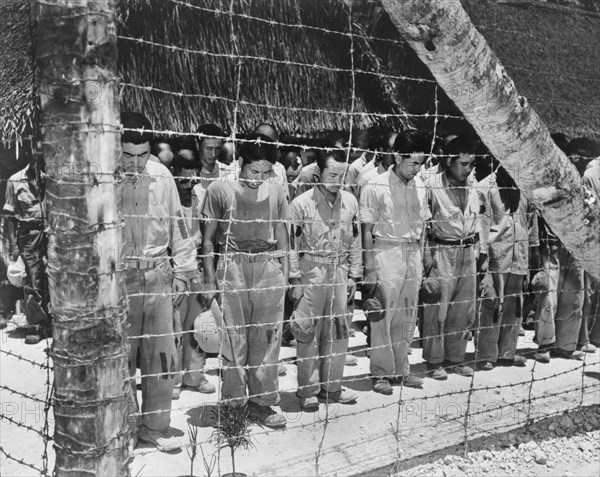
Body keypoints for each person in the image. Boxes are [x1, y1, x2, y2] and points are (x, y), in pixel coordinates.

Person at [120, 112, 197, 452]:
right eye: (128, 155)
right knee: (120, 357)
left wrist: (183, 271)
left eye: (142, 154)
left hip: (158, 275)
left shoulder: (163, 175)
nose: (136, 163)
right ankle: (121, 428)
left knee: (160, 357)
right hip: (119, 278)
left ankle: (155, 426)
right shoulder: (104, 178)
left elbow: (179, 227)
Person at [201, 133, 290, 429]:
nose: (259, 178)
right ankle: (233, 405)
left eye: (266, 173)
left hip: (267, 269)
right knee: (233, 338)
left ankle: (262, 404)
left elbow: (281, 232)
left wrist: (285, 273)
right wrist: (210, 279)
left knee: (266, 339)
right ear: (241, 163)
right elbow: (208, 239)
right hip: (232, 268)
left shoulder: (276, 191)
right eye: (254, 171)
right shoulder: (219, 189)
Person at [289, 148, 362, 409]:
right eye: (332, 173)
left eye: (341, 175)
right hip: (312, 271)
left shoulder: (351, 202)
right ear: (319, 172)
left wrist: (355, 274)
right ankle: (307, 390)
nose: (337, 180)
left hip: (340, 272)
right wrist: (295, 279)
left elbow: (355, 239)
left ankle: (331, 386)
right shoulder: (301, 204)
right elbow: (292, 245)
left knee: (339, 330)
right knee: (308, 331)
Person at [359, 131, 432, 394]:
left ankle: (402, 369)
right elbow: (366, 229)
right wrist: (368, 268)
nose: (416, 169)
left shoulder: (422, 187)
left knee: (407, 314)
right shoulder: (375, 186)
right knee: (382, 315)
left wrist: (423, 262)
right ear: (398, 156)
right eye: (412, 162)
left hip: (412, 254)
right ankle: (381, 372)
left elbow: (423, 227)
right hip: (386, 252)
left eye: (421, 164)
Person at [421, 135, 490, 380]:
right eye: (463, 164)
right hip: (443, 251)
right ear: (449, 161)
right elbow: (424, 229)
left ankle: (456, 358)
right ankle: (435, 360)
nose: (468, 169)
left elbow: (481, 221)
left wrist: (482, 253)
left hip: (468, 252)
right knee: (438, 310)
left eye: (471, 164)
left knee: (464, 310)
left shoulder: (474, 186)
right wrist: (428, 265)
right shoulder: (432, 187)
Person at [474, 159, 539, 370]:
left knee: (514, 305)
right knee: (492, 305)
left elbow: (531, 224)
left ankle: (507, 352)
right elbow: (481, 225)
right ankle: (486, 354)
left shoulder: (524, 189)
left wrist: (533, 255)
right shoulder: (485, 188)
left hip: (519, 255)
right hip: (496, 256)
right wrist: (483, 257)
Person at [169, 149, 216, 398]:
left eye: (192, 179)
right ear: (174, 175)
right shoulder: (167, 197)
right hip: (174, 274)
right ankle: (174, 380)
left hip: (196, 271)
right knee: (174, 331)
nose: (188, 185)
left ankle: (195, 376)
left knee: (198, 328)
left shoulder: (200, 195)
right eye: (183, 180)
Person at [3, 150, 50, 344]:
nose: (38, 157)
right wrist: (13, 246)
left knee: (56, 277)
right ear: (28, 155)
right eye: (34, 153)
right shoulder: (15, 181)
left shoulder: (55, 178)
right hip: (29, 234)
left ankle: (57, 322)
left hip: (54, 231)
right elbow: (10, 217)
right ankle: (36, 326)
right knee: (33, 280)